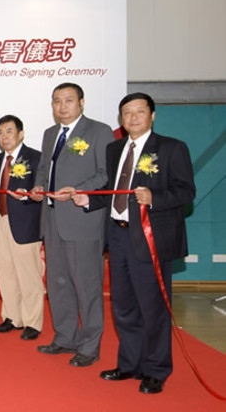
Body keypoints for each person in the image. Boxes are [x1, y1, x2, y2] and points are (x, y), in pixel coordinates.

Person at [71, 93, 195, 394]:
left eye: (140, 112)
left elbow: (185, 191)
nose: (133, 118)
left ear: (152, 115)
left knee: (152, 308)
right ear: (121, 119)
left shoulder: (171, 148)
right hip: (118, 235)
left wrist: (155, 199)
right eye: (127, 113)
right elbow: (111, 189)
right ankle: (129, 364)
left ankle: (156, 370)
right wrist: (89, 199)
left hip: (151, 239)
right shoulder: (115, 149)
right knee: (124, 306)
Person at [30, 82, 112, 368]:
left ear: (82, 102)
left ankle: (89, 346)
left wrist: (77, 189)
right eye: (56, 101)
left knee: (86, 285)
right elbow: (43, 168)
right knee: (58, 283)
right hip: (52, 218)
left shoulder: (99, 131)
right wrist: (39, 186)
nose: (62, 106)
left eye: (68, 100)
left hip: (82, 221)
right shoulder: (50, 133)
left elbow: (105, 174)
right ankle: (65, 337)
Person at [0, 115, 44, 340]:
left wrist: (30, 195)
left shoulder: (36, 158)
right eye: (0, 132)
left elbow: (42, 190)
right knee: (5, 273)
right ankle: (12, 317)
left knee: (29, 275)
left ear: (21, 133)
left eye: (8, 131)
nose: (4, 137)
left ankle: (32, 322)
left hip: (25, 223)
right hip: (1, 219)